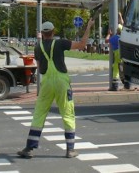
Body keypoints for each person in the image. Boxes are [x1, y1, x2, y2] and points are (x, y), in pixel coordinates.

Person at [17, 17, 95, 159]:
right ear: (53, 32)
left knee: (39, 114)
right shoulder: (60, 43)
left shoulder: (37, 47)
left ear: (42, 33)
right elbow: (82, 44)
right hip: (61, 82)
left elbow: (40, 68)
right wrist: (88, 26)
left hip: (46, 82)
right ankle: (70, 150)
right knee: (67, 113)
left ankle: (29, 148)